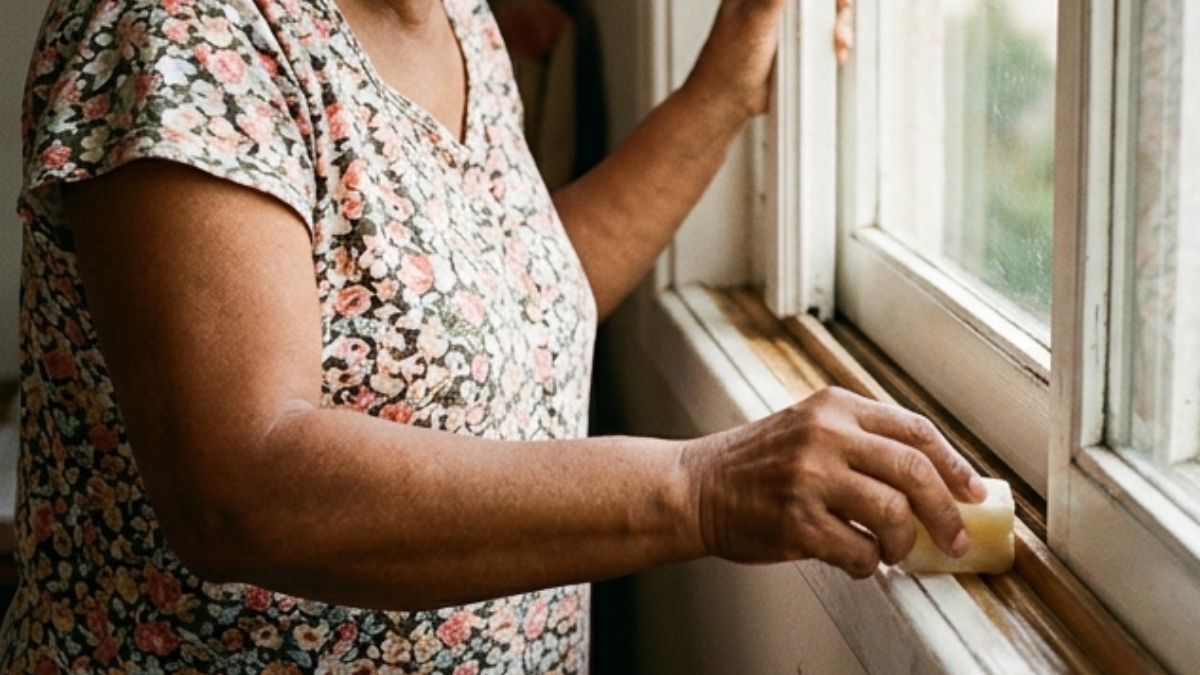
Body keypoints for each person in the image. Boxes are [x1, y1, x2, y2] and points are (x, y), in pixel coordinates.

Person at [4, 0, 987, 671]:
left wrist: (725, 87)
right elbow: (243, 487)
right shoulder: (179, 32)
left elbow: (512, 307)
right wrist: (702, 489)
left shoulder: (450, 16)